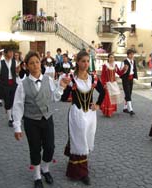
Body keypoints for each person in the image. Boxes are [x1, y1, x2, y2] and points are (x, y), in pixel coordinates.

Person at [13, 51, 70, 188]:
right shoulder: (23, 84)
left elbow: (55, 98)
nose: (35, 65)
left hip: (47, 118)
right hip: (31, 120)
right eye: (31, 63)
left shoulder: (48, 80)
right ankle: (37, 175)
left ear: (41, 63)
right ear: (26, 66)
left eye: (37, 62)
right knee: (35, 148)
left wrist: (61, 86)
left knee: (50, 147)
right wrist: (17, 127)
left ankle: (45, 168)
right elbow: (18, 106)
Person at [64, 51, 105, 185]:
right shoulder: (72, 78)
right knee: (79, 140)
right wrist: (64, 86)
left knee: (86, 138)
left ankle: (76, 162)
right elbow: (64, 98)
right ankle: (82, 173)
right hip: (77, 113)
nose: (86, 64)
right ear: (77, 62)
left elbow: (103, 91)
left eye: (87, 61)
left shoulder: (92, 77)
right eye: (83, 61)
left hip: (90, 114)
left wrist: (98, 104)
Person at [0, 47, 17, 127]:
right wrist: (3, 80)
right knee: (7, 101)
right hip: (5, 85)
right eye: (10, 52)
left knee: (13, 100)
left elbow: (16, 72)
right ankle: (10, 119)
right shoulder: (1, 63)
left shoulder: (14, 62)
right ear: (6, 53)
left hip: (13, 84)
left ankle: (12, 114)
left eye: (12, 52)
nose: (12, 54)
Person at [117, 49, 138, 115]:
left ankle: (125, 108)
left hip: (131, 79)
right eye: (131, 54)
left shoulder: (133, 61)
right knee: (127, 93)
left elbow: (134, 69)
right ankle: (131, 109)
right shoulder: (124, 62)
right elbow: (121, 71)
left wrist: (135, 76)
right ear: (128, 55)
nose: (132, 56)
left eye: (133, 54)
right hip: (125, 79)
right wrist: (124, 69)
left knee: (129, 93)